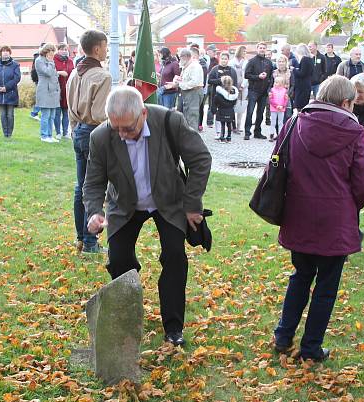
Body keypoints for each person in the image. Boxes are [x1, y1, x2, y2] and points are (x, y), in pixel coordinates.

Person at [83, 86, 211, 347]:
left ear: (143, 113)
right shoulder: (100, 137)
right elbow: (93, 182)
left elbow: (200, 159)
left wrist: (191, 204)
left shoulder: (169, 121)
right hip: (125, 204)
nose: (122, 134)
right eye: (115, 127)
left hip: (168, 200)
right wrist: (95, 212)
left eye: (128, 128)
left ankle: (173, 327)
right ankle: (128, 319)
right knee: (119, 260)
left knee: (175, 256)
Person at [273, 75, 364, 362]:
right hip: (336, 221)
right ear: (346, 102)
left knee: (300, 276)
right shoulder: (354, 131)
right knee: (326, 287)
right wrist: (349, 204)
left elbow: (278, 165)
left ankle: (284, 335)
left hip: (299, 215)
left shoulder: (294, 123)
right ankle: (310, 348)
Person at [67, 29, 112, 254]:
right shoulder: (102, 76)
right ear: (96, 48)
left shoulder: (75, 73)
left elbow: (69, 107)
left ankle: (81, 238)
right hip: (94, 131)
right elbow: (99, 112)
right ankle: (91, 242)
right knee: (92, 188)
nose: (106, 50)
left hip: (78, 129)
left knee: (80, 186)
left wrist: (74, 128)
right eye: (105, 46)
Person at [0, 45, 21, 138]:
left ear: (10, 53)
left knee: (10, 115)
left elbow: (17, 78)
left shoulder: (15, 65)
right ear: (1, 53)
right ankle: (5, 133)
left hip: (11, 93)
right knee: (2, 115)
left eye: (7, 51)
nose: (5, 52)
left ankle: (9, 133)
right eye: (3, 51)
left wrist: (6, 87)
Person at [244, 42, 274, 140]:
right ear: (257, 49)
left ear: (266, 49)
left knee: (260, 113)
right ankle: (247, 132)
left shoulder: (269, 62)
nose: (262, 49)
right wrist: (258, 77)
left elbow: (271, 78)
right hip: (253, 90)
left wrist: (269, 89)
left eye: (263, 48)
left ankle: (257, 132)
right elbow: (246, 75)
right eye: (260, 48)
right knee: (250, 112)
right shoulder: (252, 61)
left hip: (264, 92)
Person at [207, 52, 238, 140]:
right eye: (222, 58)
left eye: (226, 59)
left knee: (227, 113)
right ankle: (218, 132)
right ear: (220, 59)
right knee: (217, 113)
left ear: (228, 60)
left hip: (228, 96)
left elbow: (234, 84)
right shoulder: (215, 69)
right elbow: (209, 81)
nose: (224, 60)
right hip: (217, 95)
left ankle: (227, 133)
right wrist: (220, 80)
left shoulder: (232, 70)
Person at [34, 43, 60, 143]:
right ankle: (44, 136)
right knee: (46, 115)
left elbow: (54, 74)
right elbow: (48, 73)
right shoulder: (39, 60)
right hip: (44, 90)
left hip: (53, 91)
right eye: (51, 52)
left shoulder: (50, 61)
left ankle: (50, 135)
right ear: (46, 51)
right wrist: (50, 62)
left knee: (52, 115)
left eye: (53, 52)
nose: (53, 54)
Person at [174, 48, 203, 130]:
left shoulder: (195, 66)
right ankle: (189, 138)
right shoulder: (187, 66)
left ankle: (193, 140)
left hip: (194, 92)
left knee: (192, 118)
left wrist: (180, 84)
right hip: (188, 93)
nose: (179, 60)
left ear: (186, 57)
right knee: (187, 117)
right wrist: (178, 80)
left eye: (180, 57)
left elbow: (194, 82)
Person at [53, 43, 74, 139]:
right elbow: (51, 72)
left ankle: (65, 132)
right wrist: (59, 73)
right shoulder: (54, 60)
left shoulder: (70, 61)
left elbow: (73, 73)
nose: (64, 51)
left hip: (68, 90)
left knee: (66, 112)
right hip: (57, 89)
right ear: (58, 50)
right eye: (62, 49)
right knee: (57, 112)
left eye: (66, 49)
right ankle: (58, 132)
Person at [213, 76, 238, 142]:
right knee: (229, 124)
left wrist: (215, 108)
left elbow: (215, 101)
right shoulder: (234, 92)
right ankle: (229, 137)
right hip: (230, 110)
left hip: (222, 110)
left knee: (223, 124)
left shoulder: (219, 94)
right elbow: (235, 102)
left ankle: (222, 137)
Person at [291, 44, 314, 111]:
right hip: (307, 84)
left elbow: (302, 74)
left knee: (299, 105)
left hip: (302, 86)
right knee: (304, 104)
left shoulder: (304, 59)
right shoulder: (310, 59)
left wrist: (294, 69)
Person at [230, 46, 247, 134]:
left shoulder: (246, 62)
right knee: (233, 105)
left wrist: (243, 85)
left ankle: (239, 125)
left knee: (241, 105)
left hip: (243, 86)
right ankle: (233, 126)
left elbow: (246, 75)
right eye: (243, 51)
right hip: (233, 85)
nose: (245, 53)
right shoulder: (232, 62)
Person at [268, 74, 289, 141]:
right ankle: (271, 134)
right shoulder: (272, 90)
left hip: (281, 109)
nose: (275, 83)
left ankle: (280, 135)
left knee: (280, 123)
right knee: (273, 122)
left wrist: (282, 106)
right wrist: (276, 106)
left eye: (277, 82)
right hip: (274, 109)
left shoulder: (285, 91)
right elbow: (271, 100)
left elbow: (286, 100)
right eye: (275, 82)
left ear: (281, 83)